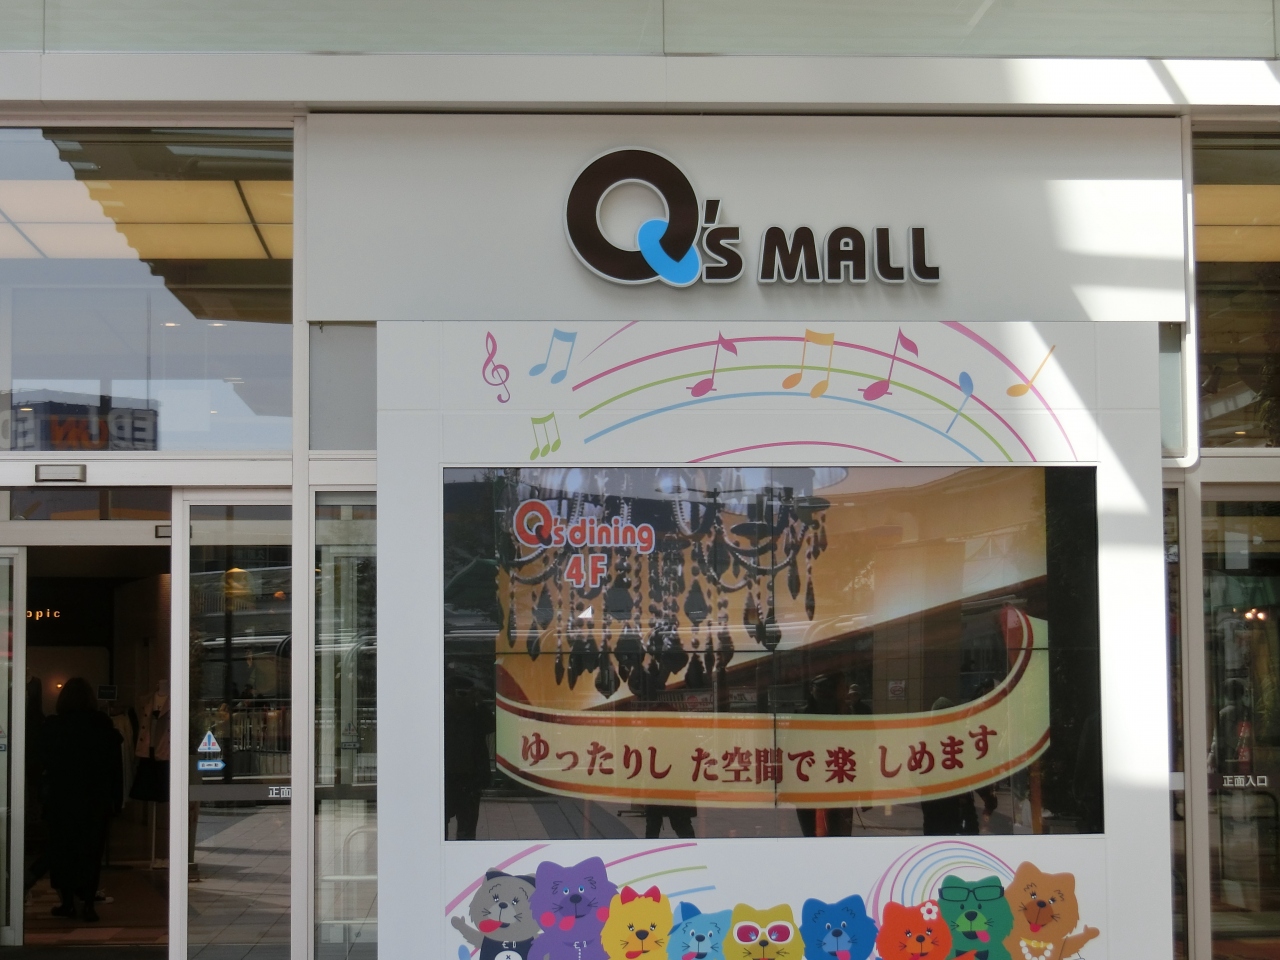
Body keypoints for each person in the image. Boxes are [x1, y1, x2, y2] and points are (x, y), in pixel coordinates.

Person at [41, 678, 123, 922]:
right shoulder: (102, 727)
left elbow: (43, 763)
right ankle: (88, 904)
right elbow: (115, 769)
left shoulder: (54, 727)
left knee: (63, 851)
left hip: (62, 800)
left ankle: (67, 902)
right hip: (95, 801)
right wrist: (115, 800)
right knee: (91, 853)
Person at [444, 675, 493, 840]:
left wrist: (479, 703)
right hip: (445, 778)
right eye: (458, 693)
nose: (461, 697)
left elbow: (491, 725)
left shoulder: (475, 715)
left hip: (470, 779)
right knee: (438, 827)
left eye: (465, 693)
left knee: (467, 828)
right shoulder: (440, 715)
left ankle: (462, 854)